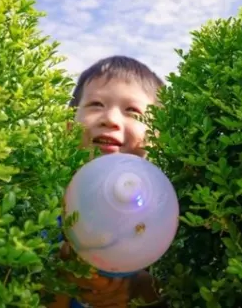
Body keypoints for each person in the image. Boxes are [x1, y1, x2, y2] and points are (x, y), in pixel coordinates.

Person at [46, 55, 168, 308]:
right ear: (69, 126)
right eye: (96, 104)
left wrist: (137, 287)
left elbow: (177, 292)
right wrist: (62, 279)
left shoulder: (166, 210)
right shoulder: (44, 204)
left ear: (157, 136)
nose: (110, 119)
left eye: (132, 111)